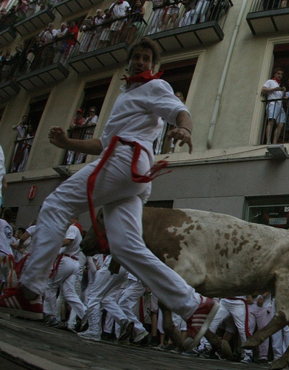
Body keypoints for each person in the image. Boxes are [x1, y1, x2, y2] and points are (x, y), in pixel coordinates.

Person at [1, 38, 219, 351]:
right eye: (137, 56)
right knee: (126, 246)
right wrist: (68, 144)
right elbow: (102, 142)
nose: (141, 61)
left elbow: (179, 111)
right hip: (127, 169)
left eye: (146, 58)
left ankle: (30, 291)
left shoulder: (154, 86)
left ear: (153, 65)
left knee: (56, 204)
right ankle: (195, 305)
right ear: (129, 61)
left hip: (125, 161)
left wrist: (185, 129)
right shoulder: (126, 94)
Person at [261, 67, 286, 144]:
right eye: (278, 73)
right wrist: (274, 89)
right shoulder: (270, 81)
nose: (280, 75)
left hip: (280, 106)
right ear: (275, 74)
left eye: (281, 74)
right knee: (271, 122)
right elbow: (263, 90)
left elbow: (282, 97)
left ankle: (274, 142)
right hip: (273, 103)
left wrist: (284, 92)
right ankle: (268, 141)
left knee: (281, 124)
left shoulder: (280, 85)